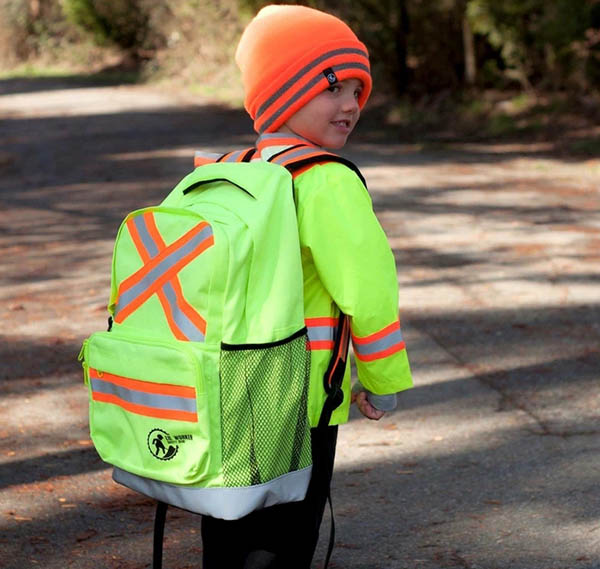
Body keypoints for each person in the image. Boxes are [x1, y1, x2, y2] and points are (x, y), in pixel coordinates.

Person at [200, 5, 413, 568]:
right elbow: (367, 291)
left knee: (228, 531)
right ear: (284, 91)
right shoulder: (324, 180)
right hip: (300, 399)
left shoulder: (227, 170)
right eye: (334, 88)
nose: (351, 105)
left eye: (358, 92)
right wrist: (382, 377)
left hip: (227, 392)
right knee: (287, 539)